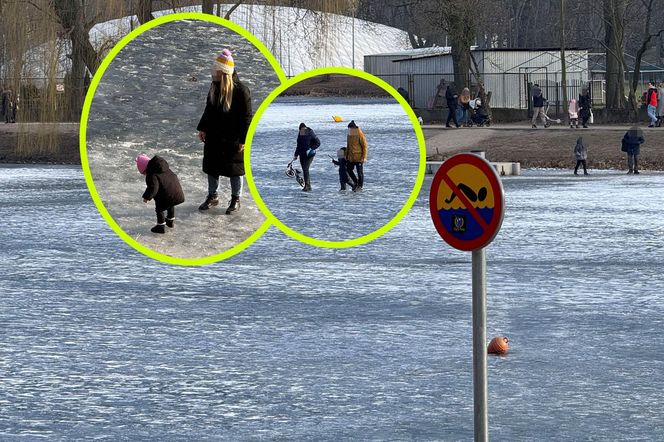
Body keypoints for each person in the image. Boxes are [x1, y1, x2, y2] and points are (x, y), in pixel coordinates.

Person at [197, 49, 252, 214]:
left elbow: (247, 118)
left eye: (216, 70)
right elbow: (209, 109)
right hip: (214, 135)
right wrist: (203, 127)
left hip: (233, 138)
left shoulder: (242, 90)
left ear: (224, 72)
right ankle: (212, 196)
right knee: (212, 166)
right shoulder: (214, 87)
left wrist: (244, 139)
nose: (213, 73)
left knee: (235, 169)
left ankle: (236, 199)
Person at [136, 154, 185, 234]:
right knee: (170, 204)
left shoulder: (152, 174)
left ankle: (160, 226)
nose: (145, 174)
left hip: (166, 195)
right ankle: (170, 221)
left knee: (159, 208)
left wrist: (147, 197)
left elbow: (153, 188)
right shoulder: (164, 168)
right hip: (176, 192)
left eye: (144, 172)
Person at [293, 122, 320, 192]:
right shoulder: (300, 134)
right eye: (301, 130)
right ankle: (308, 186)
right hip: (302, 155)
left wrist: (311, 148)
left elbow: (318, 143)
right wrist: (296, 155)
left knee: (305, 169)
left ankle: (307, 186)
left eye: (303, 129)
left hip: (309, 154)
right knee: (304, 169)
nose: (302, 131)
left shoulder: (311, 133)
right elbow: (298, 146)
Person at [345, 120, 368, 192]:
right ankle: (356, 181)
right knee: (349, 169)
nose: (349, 130)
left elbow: (364, 146)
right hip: (351, 157)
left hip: (359, 157)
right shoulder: (349, 135)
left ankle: (360, 186)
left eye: (350, 129)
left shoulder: (360, 134)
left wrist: (364, 157)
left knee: (360, 172)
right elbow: (348, 146)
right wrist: (346, 155)